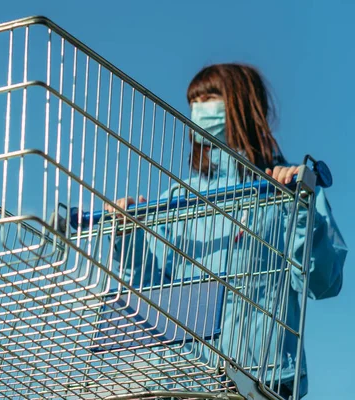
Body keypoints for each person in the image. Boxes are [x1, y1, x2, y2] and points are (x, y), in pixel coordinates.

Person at [105, 63, 347, 399]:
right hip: (186, 379)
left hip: (264, 377)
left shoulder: (289, 188)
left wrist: (300, 209)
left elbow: (324, 282)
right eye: (195, 100)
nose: (199, 109)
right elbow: (150, 290)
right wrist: (126, 233)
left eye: (210, 96)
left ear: (241, 104)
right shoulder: (179, 197)